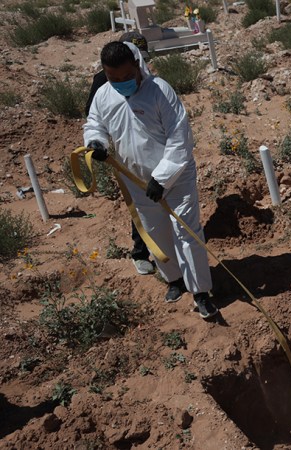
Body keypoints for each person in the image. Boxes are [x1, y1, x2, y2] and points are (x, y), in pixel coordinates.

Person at [83, 41, 218, 319]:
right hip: (136, 181)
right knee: (154, 232)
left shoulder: (160, 91)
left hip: (176, 178)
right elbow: (94, 123)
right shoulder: (104, 95)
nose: (120, 83)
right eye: (113, 78)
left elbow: (180, 139)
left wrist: (163, 177)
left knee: (186, 233)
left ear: (136, 65)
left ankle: (201, 292)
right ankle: (175, 280)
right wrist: (95, 143)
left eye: (125, 76)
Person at [85, 32, 155, 276]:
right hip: (128, 156)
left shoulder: (152, 81)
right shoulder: (102, 84)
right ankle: (141, 252)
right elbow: (94, 120)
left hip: (156, 154)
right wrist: (97, 144)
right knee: (140, 206)